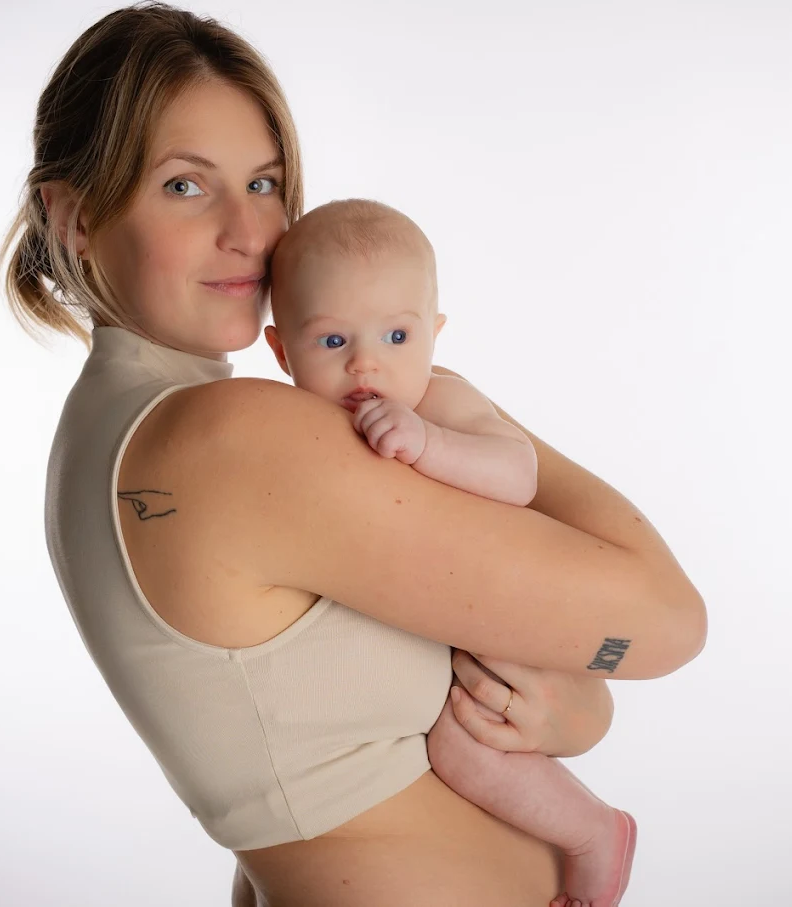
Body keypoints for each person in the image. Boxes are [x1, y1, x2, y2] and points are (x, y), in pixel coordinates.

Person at [1, 4, 707, 906]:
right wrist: (460, 404)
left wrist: (574, 704)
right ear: (74, 218)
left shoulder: (111, 434)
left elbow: (301, 747)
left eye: (264, 183)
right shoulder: (230, 436)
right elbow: (667, 620)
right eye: (185, 185)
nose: (250, 234)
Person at [262, 197, 637, 906]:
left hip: (494, 624)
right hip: (418, 630)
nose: (367, 364)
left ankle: (594, 832)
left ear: (434, 334)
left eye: (397, 336)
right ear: (283, 351)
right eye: (333, 343)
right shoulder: (299, 425)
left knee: (460, 742)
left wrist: (430, 444)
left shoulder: (440, 401)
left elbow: (518, 471)